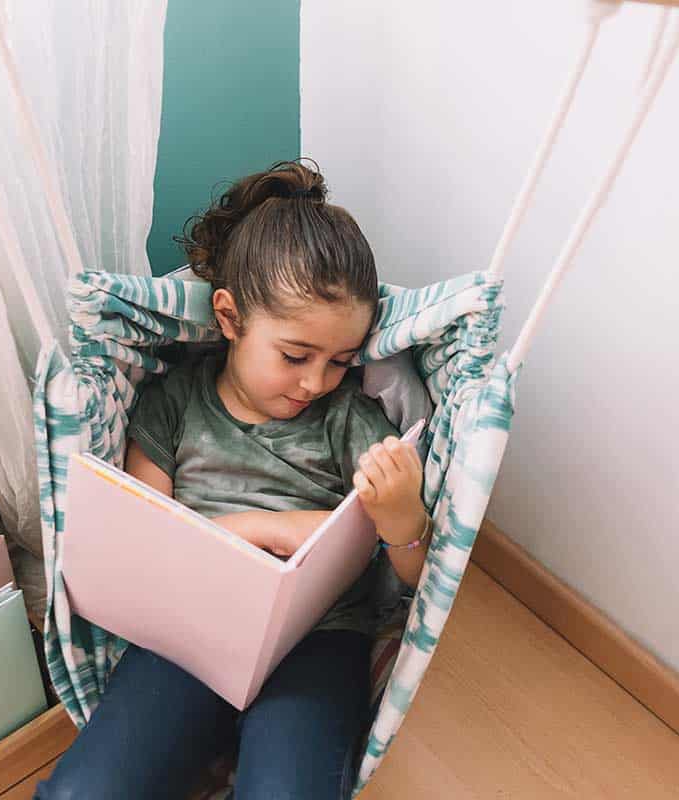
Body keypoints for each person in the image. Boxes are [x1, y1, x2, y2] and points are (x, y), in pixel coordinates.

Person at [35, 159, 431, 800]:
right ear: (229, 317)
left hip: (318, 639)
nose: (315, 382)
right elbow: (147, 542)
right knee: (86, 792)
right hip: (189, 631)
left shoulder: (346, 419)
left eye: (339, 361)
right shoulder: (173, 405)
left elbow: (411, 573)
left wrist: (402, 519)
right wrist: (252, 531)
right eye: (295, 356)